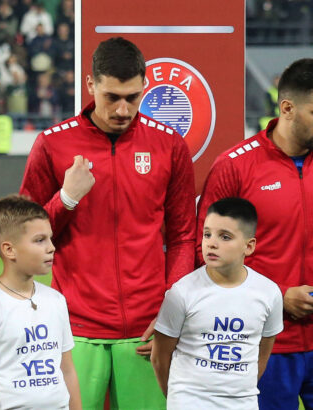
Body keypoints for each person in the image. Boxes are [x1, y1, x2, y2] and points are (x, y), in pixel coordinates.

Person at [19, 37, 196, 410]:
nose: (122, 109)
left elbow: (183, 236)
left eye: (132, 97)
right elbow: (24, 237)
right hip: (75, 330)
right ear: (90, 85)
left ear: (145, 86)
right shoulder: (53, 145)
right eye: (111, 97)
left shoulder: (169, 145)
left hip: (148, 330)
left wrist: (172, 310)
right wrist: (66, 199)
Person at [196, 58, 313, 410]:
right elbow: (205, 255)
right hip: (263, 344)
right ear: (287, 108)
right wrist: (278, 296)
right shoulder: (235, 167)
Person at [152, 197, 283, 409]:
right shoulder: (181, 293)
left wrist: (238, 392)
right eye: (207, 234)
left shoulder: (269, 293)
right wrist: (178, 399)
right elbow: (159, 358)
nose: (211, 243)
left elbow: (262, 356)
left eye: (225, 237)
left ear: (249, 246)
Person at [0, 194, 82, 409]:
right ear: (9, 250)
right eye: (39, 240)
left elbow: (67, 370)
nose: (51, 247)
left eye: (50, 238)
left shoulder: (56, 300)